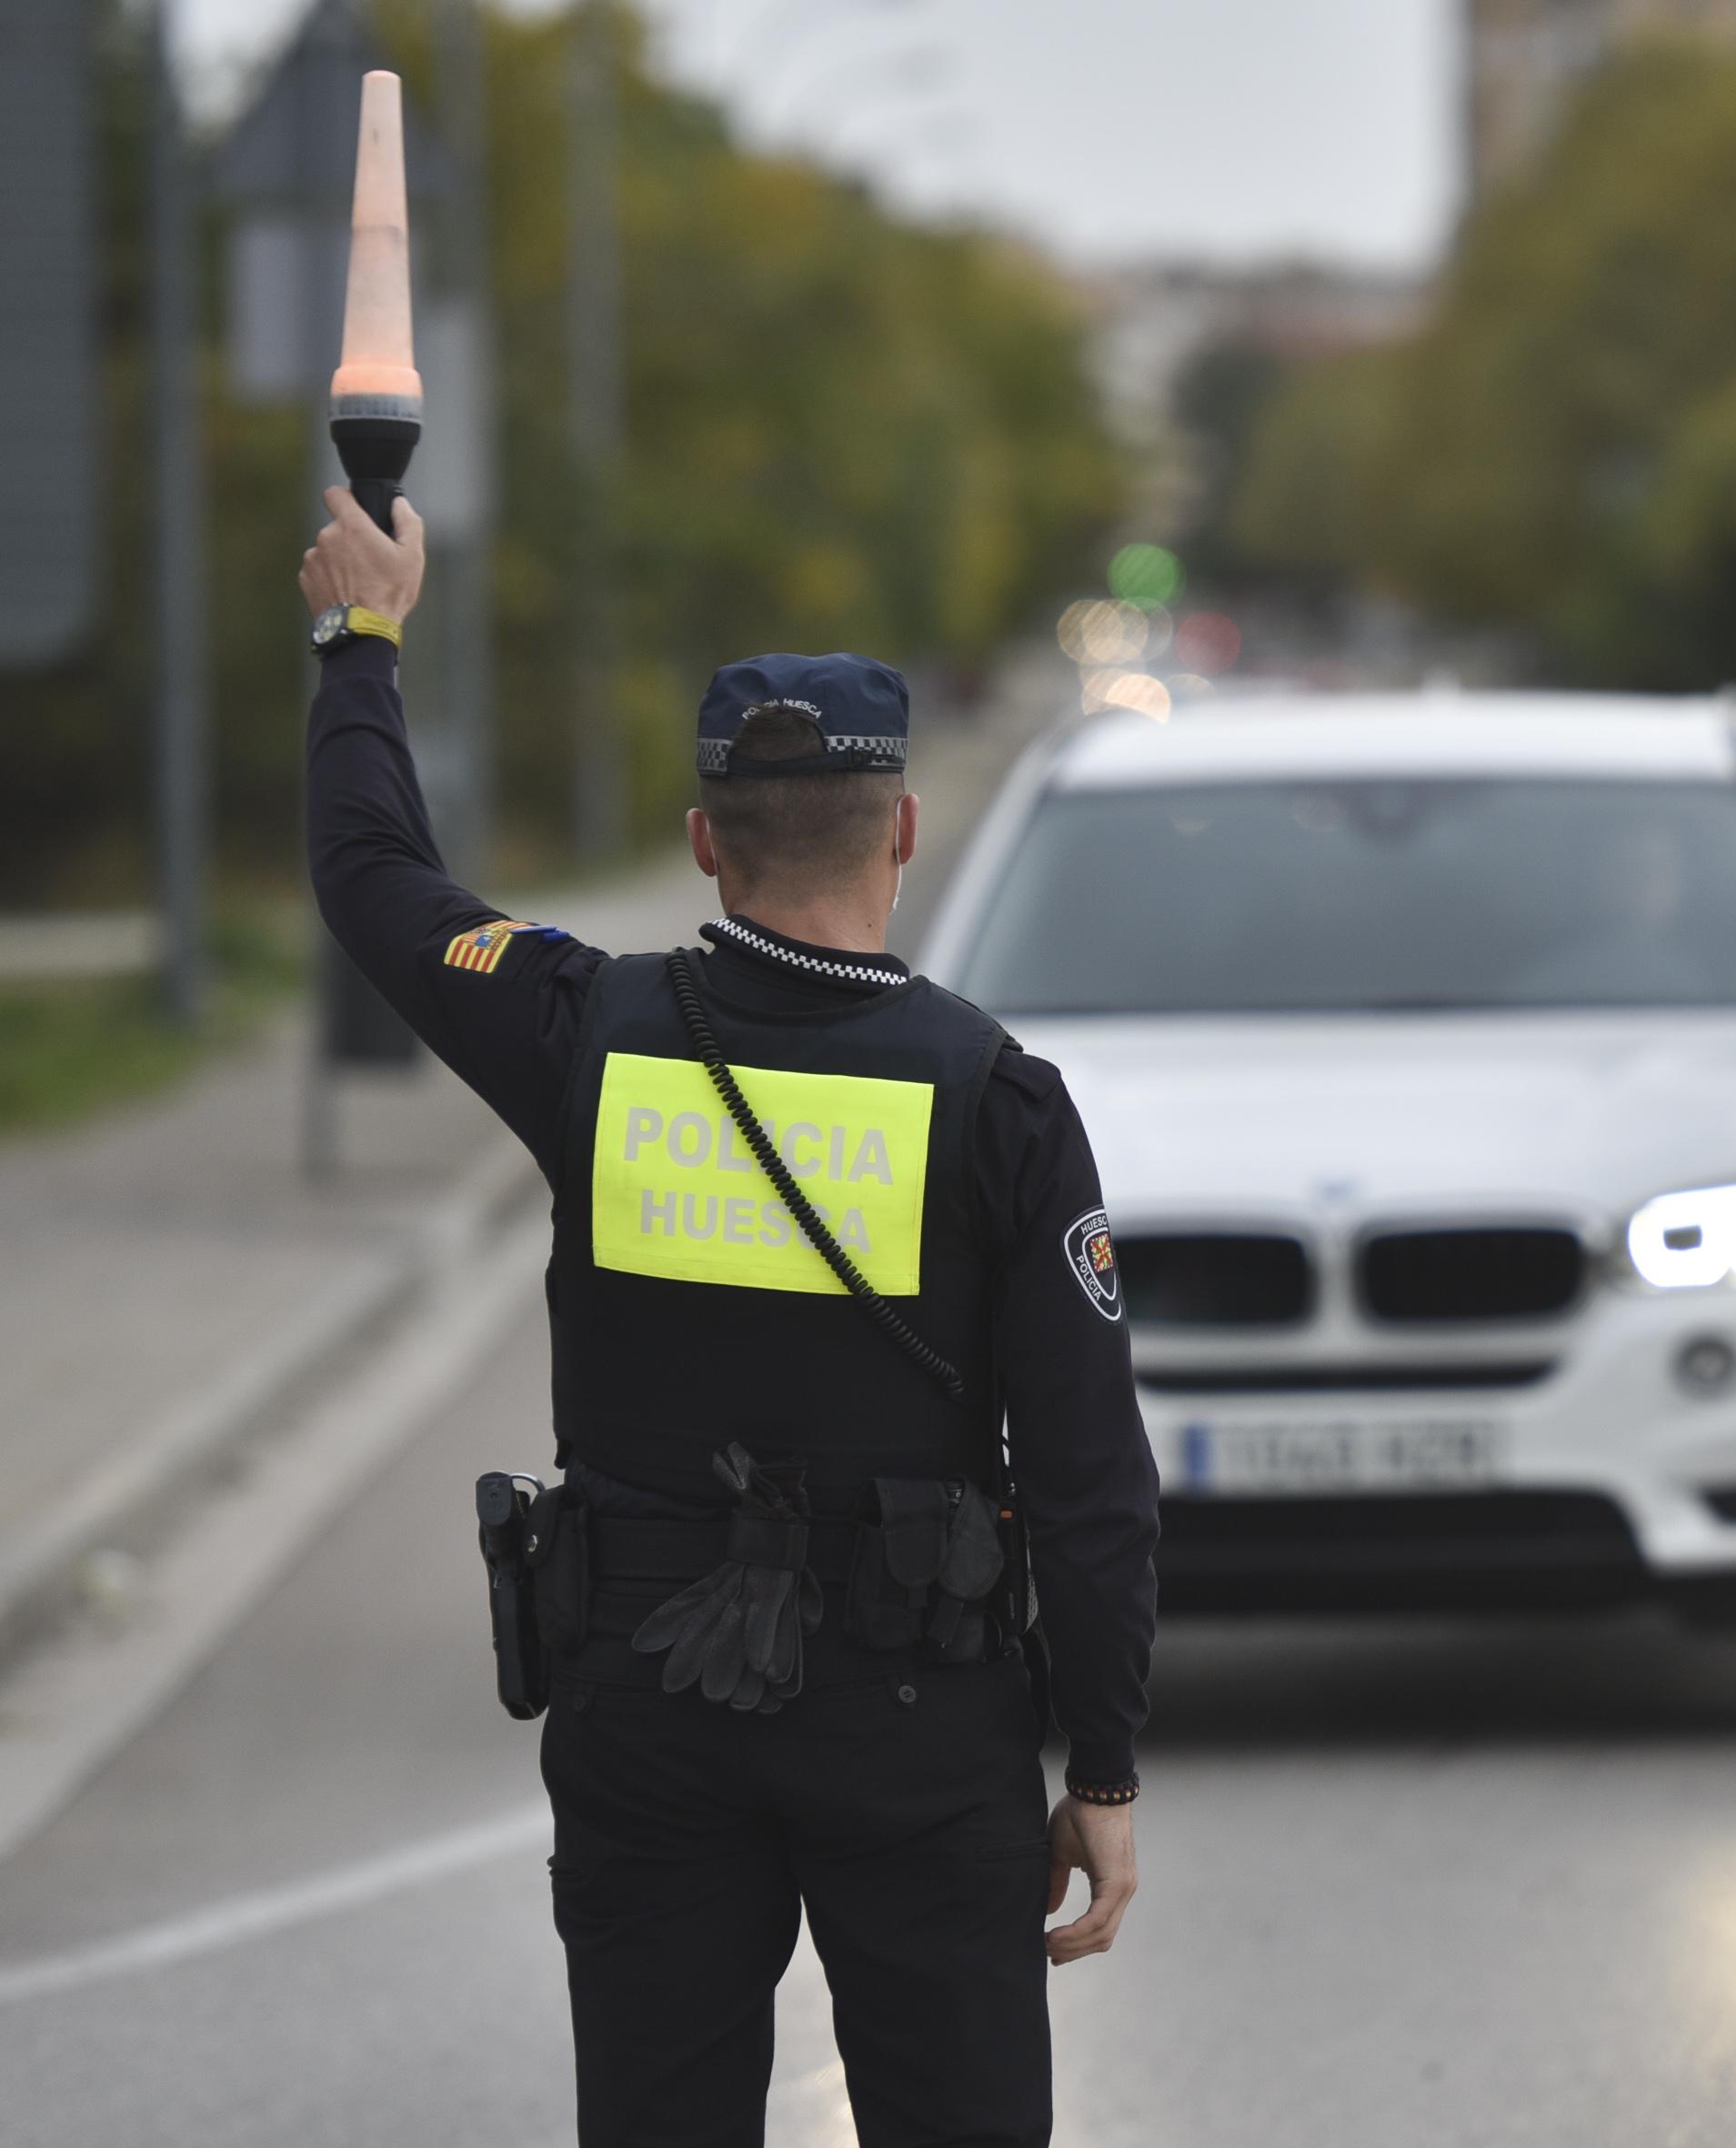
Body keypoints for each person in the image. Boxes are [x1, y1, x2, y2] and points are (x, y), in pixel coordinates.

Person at [298, 488, 1160, 2144]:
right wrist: (1102, 1768)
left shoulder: (584, 1031)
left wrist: (363, 639)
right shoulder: (999, 1099)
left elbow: (374, 877)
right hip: (923, 1727)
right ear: (902, 831)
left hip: (649, 1706)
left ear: (705, 840)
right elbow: (1085, 1473)